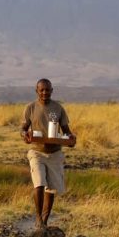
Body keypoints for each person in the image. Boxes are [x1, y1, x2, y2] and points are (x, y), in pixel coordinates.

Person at [20, 78, 76, 228]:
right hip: (36, 152)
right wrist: (24, 135)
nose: (45, 92)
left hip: (55, 153)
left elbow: (67, 132)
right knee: (39, 183)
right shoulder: (30, 108)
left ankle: (44, 221)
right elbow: (23, 128)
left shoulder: (58, 108)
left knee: (51, 189)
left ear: (52, 90)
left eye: (47, 89)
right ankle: (38, 218)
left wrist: (71, 140)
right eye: (42, 90)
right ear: (37, 91)